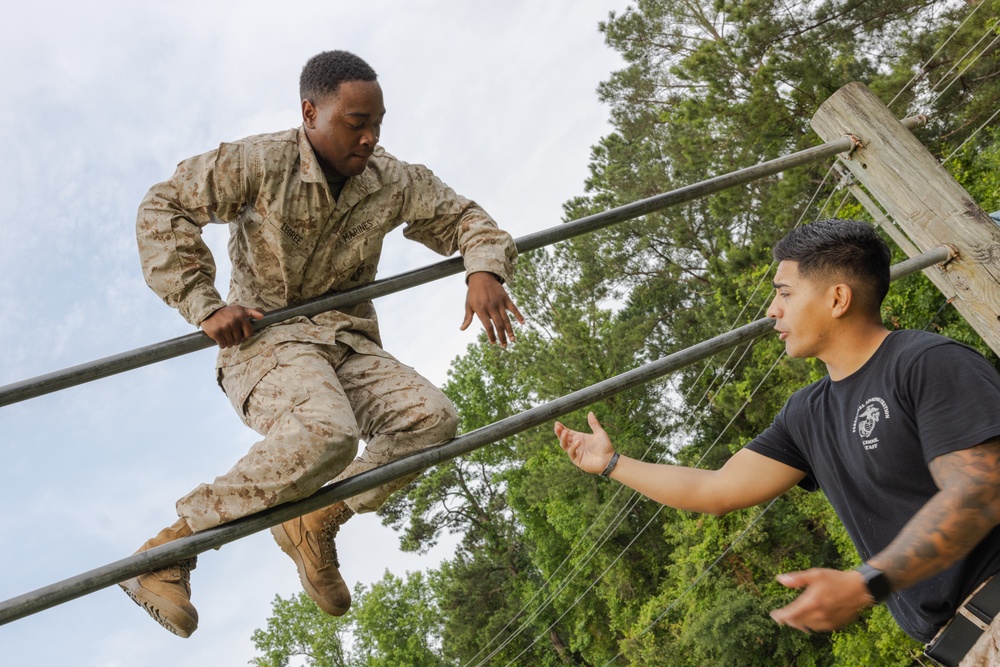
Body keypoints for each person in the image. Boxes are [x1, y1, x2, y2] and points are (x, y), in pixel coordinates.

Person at [122, 50, 523, 638]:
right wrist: (205, 306)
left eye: (378, 122)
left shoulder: (391, 178)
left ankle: (317, 517)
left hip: (346, 341)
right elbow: (163, 207)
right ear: (310, 112)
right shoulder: (259, 161)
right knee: (327, 431)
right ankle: (165, 554)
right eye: (354, 122)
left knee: (431, 420)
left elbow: (465, 218)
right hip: (264, 341)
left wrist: (483, 267)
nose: (369, 137)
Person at [555, 219, 1000, 666]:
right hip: (958, 648)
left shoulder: (928, 363)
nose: (772, 309)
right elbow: (716, 491)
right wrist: (613, 464)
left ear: (838, 298)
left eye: (785, 292)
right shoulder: (806, 414)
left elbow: (979, 495)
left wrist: (867, 582)